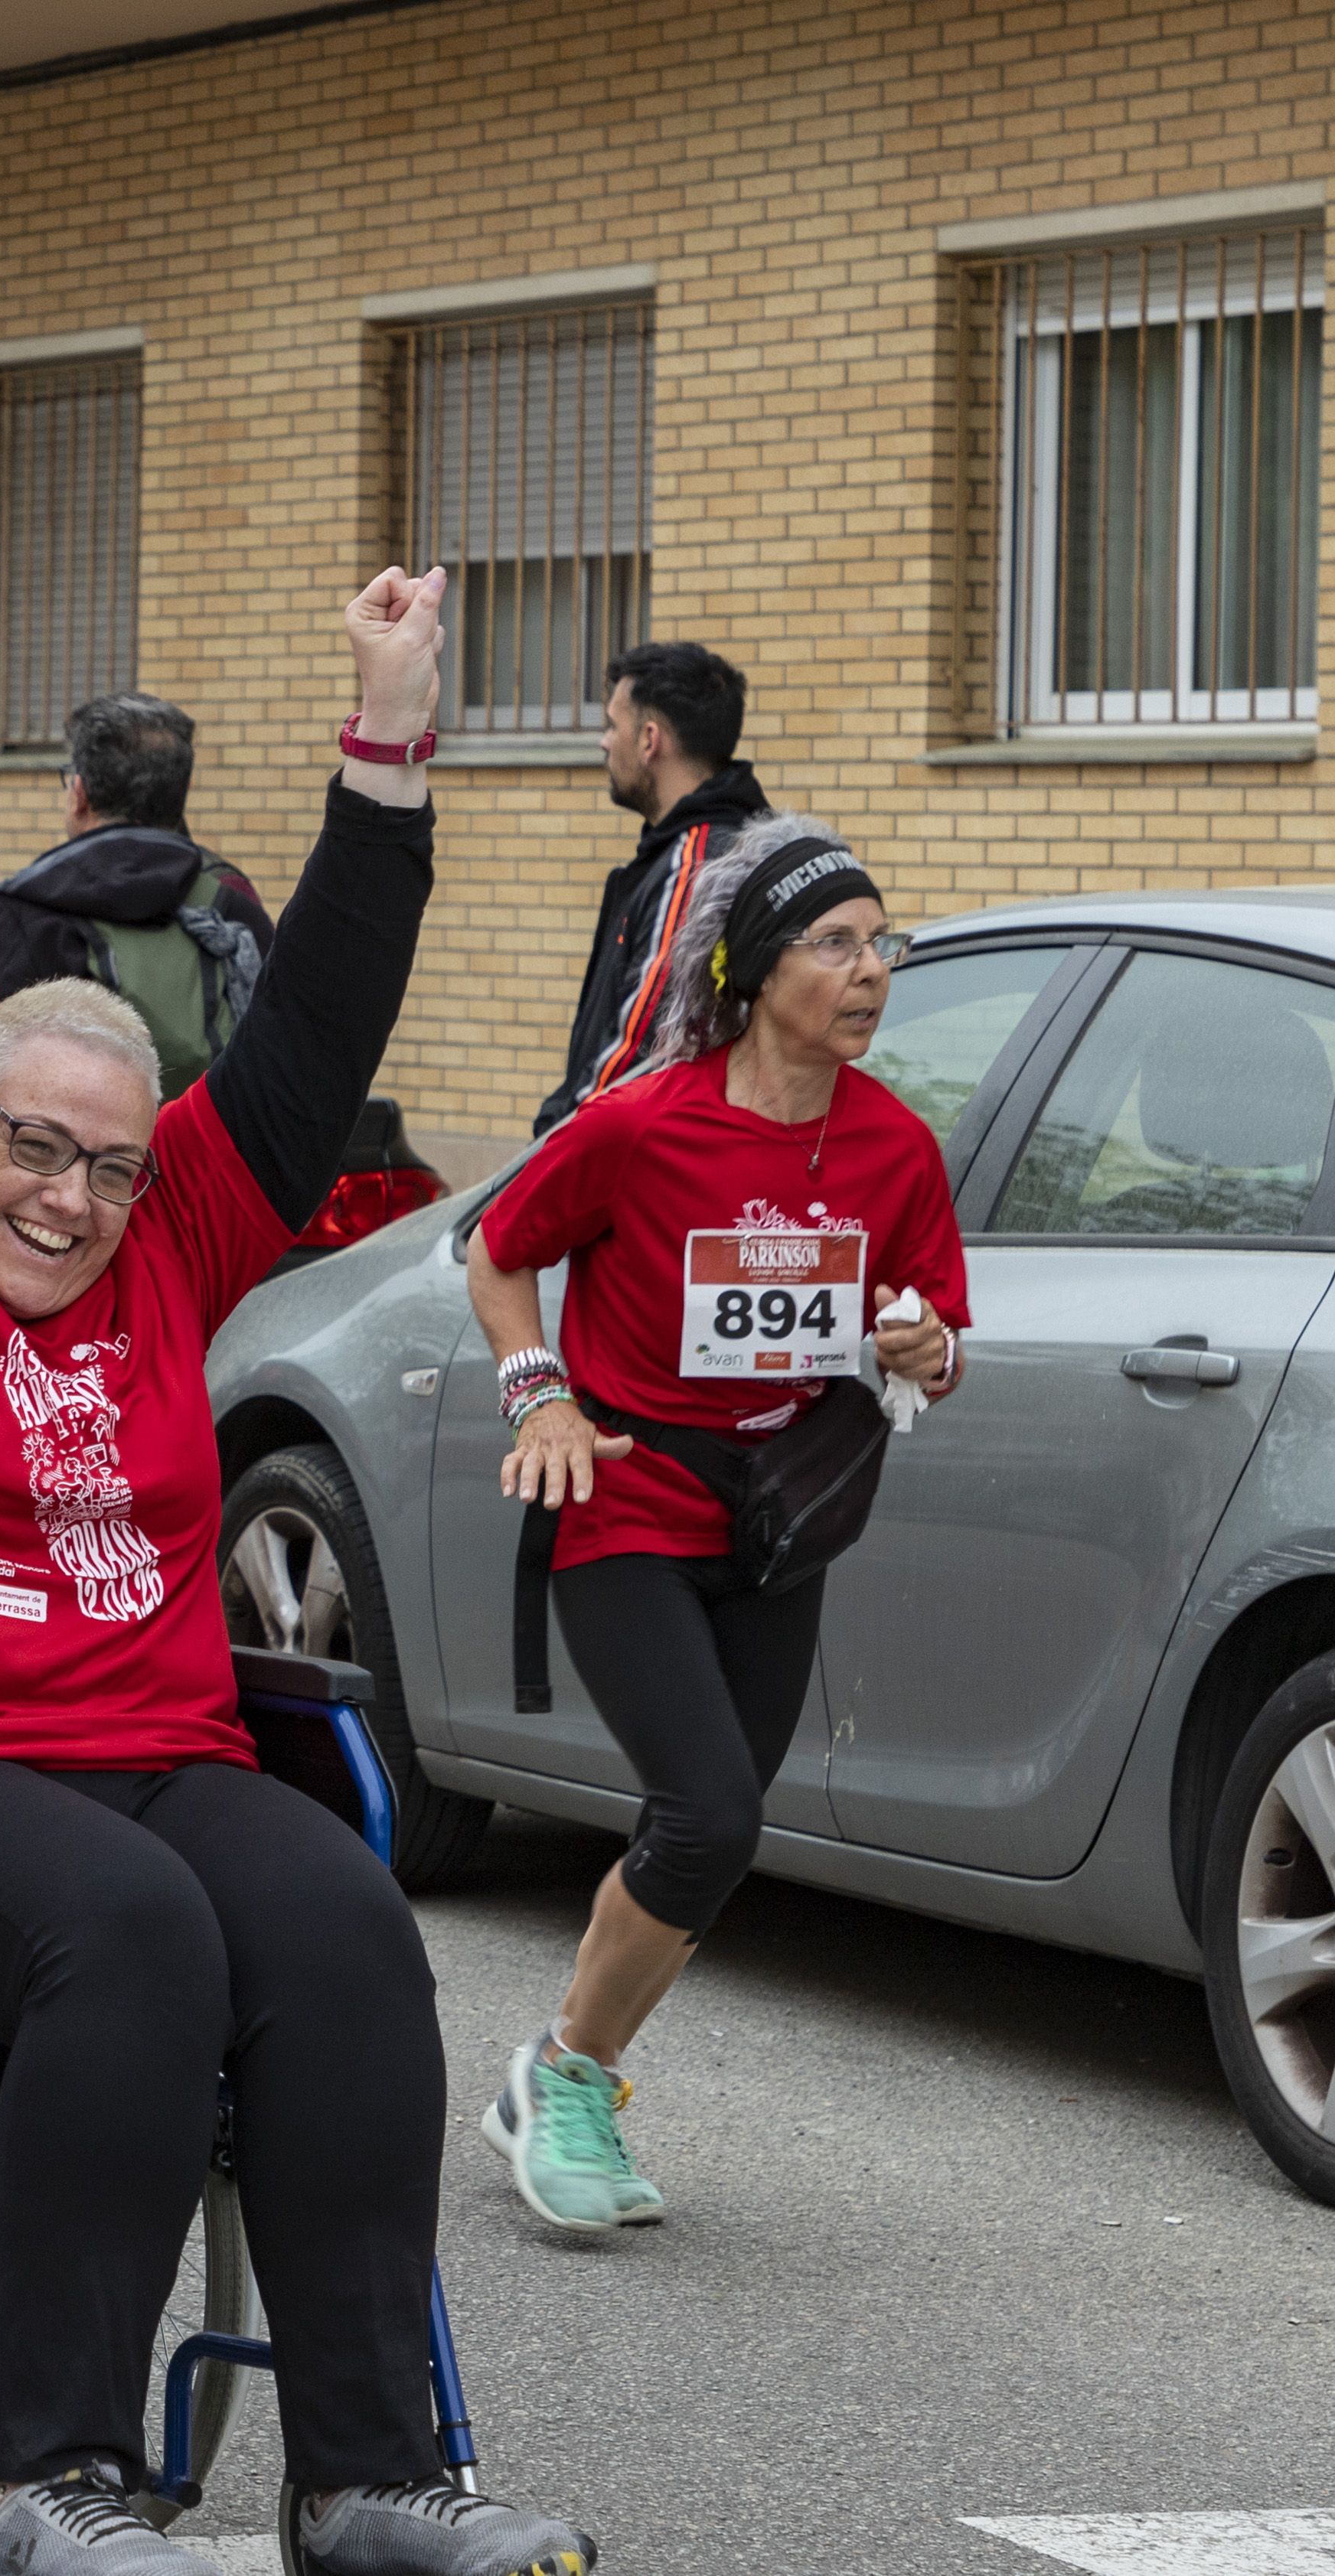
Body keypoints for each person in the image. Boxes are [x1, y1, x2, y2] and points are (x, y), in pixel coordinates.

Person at [0, 533, 596, 2576]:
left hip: (149, 1736)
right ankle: (60, 2477)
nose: (71, 1193)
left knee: (349, 1919)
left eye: (111, 1160)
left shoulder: (177, 1232)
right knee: (132, 1926)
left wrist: (388, 742)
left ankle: (369, 2473)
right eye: (30, 1141)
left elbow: (305, 1043)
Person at [469, 819, 964, 2233]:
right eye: (836, 943)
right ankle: (565, 2089)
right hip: (625, 1498)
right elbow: (497, 1253)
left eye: (883, 944)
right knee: (704, 1809)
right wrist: (537, 1403)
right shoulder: (638, 1124)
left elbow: (934, 1330)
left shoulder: (893, 1148)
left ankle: (560, 2069)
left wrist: (922, 1347)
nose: (870, 970)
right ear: (751, 973)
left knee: (711, 1838)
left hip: (776, 1525)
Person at [0, 693, 275, 1096]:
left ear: (79, 793)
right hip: (210, 1149)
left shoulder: (24, 912)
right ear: (181, 792)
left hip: (79, 1155)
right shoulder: (231, 901)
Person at [537, 642, 763, 1135]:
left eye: (613, 726)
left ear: (649, 740)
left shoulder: (694, 866)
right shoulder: (706, 849)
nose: (603, 743)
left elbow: (632, 1062)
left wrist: (541, 1158)